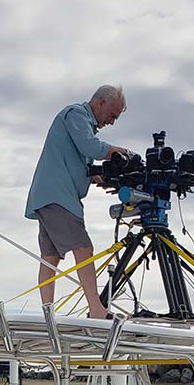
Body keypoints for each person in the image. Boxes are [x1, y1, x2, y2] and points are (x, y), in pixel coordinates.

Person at [25, 85, 130, 320]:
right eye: (112, 115)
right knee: (84, 248)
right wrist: (119, 152)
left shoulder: (79, 122)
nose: (111, 122)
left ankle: (47, 313)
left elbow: (75, 155)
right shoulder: (76, 115)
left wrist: (93, 175)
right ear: (101, 102)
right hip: (58, 195)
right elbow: (90, 147)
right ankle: (96, 310)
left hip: (48, 195)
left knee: (50, 257)